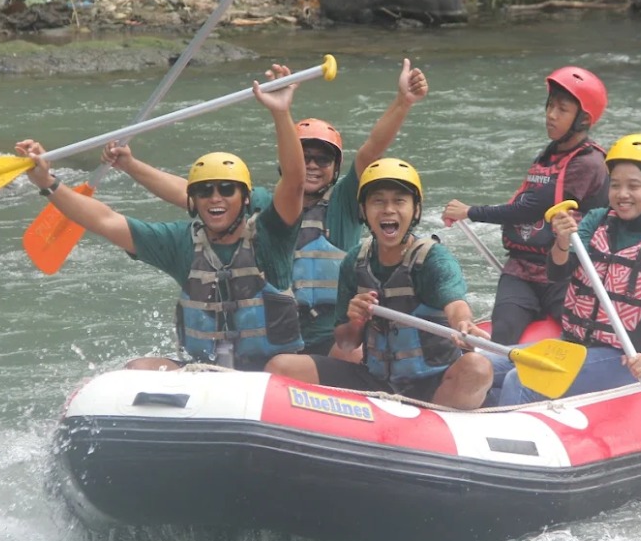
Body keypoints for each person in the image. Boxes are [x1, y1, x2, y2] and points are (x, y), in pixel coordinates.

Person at [103, 60, 429, 356]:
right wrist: (132, 166)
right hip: (274, 337)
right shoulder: (261, 204)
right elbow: (189, 194)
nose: (312, 165)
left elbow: (371, 150)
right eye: (304, 156)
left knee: (349, 355)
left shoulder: (344, 204)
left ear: (335, 167)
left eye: (323, 159)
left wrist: (402, 102)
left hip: (330, 336)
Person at [14, 65, 307, 372]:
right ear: (193, 201)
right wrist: (48, 183)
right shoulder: (181, 241)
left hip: (269, 377)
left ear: (245, 199)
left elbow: (294, 182)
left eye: (226, 190)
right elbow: (105, 221)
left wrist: (280, 113)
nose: (215, 197)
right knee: (139, 368)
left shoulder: (273, 235)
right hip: (204, 373)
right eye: (205, 191)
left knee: (285, 365)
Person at [265, 158, 494, 410]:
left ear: (416, 210)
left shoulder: (432, 258)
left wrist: (463, 324)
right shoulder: (355, 260)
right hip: (377, 381)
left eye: (399, 201)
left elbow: (455, 304)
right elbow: (346, 343)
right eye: (378, 201)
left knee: (478, 368)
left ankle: (437, 423)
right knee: (281, 366)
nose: (388, 209)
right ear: (363, 211)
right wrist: (355, 321)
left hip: (432, 382)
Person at [497, 134, 641, 406]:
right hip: (572, 345)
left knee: (519, 380)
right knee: (484, 362)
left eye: (634, 186)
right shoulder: (598, 220)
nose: (622, 194)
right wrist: (562, 241)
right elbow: (559, 273)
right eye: (615, 185)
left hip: (621, 358)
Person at [442, 66, 610, 345]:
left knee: (581, 338)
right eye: (550, 106)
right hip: (521, 270)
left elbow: (533, 207)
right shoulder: (548, 155)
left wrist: (471, 212)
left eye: (562, 110)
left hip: (566, 273)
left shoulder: (588, 163)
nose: (551, 115)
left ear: (583, 119)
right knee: (503, 334)